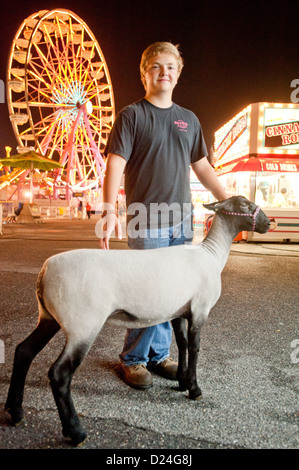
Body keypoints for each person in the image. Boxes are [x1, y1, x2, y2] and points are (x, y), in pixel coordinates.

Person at [98, 42, 227, 390]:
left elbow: (203, 168)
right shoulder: (132, 116)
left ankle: (158, 356)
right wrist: (109, 210)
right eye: (156, 66)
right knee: (146, 293)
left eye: (171, 66)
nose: (164, 72)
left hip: (181, 221)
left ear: (178, 73)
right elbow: (115, 165)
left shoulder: (189, 120)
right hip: (145, 219)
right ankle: (134, 359)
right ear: (144, 74)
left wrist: (230, 200)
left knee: (172, 294)